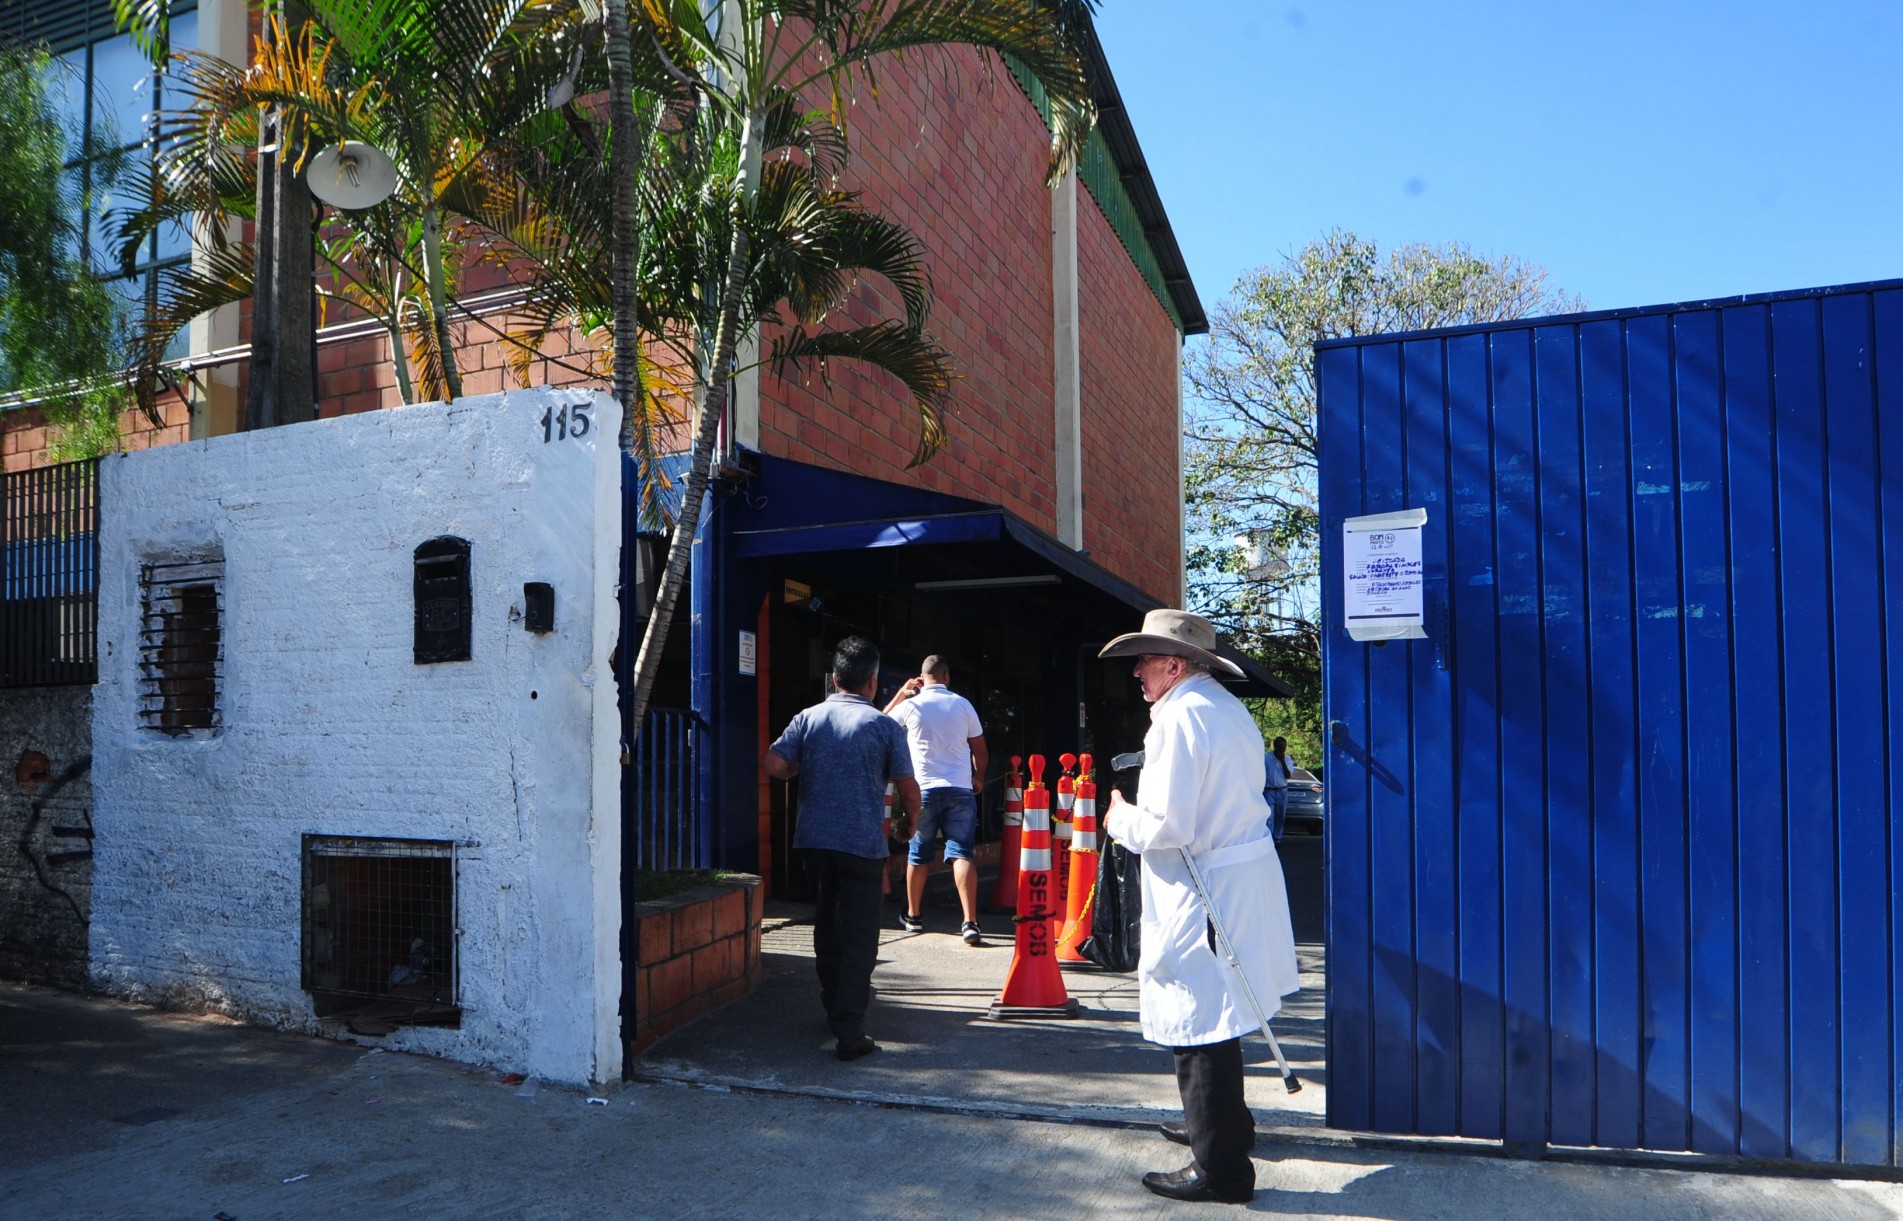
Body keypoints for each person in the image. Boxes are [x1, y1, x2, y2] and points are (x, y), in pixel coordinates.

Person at [1098, 609, 1300, 1205]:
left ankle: (1222, 1169)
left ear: (1174, 664)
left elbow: (1168, 825)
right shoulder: (1224, 708)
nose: (1136, 671)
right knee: (1225, 1010)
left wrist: (1118, 817)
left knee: (1201, 1021)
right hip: (1235, 876)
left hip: (1206, 884)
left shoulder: (1180, 716)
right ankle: (1218, 1127)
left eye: (1145, 660)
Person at [763, 636, 921, 1062]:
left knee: (826, 926)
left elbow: (774, 765)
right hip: (861, 846)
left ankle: (834, 1004)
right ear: (872, 682)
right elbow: (908, 787)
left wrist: (802, 766)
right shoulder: (886, 727)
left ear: (834, 679)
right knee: (859, 935)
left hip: (814, 842)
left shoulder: (808, 718)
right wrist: (910, 822)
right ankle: (850, 1030)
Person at [882, 655, 989, 945]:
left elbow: (880, 724)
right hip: (959, 789)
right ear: (946, 675)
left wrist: (900, 695)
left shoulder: (911, 705)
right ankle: (970, 922)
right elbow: (980, 749)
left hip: (922, 790)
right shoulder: (963, 705)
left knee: (918, 854)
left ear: (922, 677)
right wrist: (978, 777)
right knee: (962, 853)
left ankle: (914, 917)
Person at [1264, 736, 1291, 843]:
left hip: (1282, 791)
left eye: (1283, 748)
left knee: (1281, 816)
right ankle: (1270, 841)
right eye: (1280, 748)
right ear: (1275, 746)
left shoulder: (1287, 759)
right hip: (1269, 790)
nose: (1282, 750)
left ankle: (1278, 839)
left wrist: (1283, 761)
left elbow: (1288, 775)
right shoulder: (1266, 758)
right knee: (1270, 817)